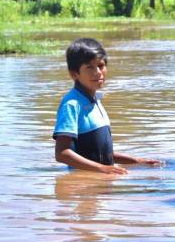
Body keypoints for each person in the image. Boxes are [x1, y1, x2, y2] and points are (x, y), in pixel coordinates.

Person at [53, 38, 160, 174]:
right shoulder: (71, 105)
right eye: (90, 67)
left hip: (102, 179)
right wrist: (103, 168)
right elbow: (62, 153)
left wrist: (136, 161)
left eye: (101, 65)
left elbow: (100, 153)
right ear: (74, 74)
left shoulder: (95, 100)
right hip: (84, 185)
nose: (98, 72)